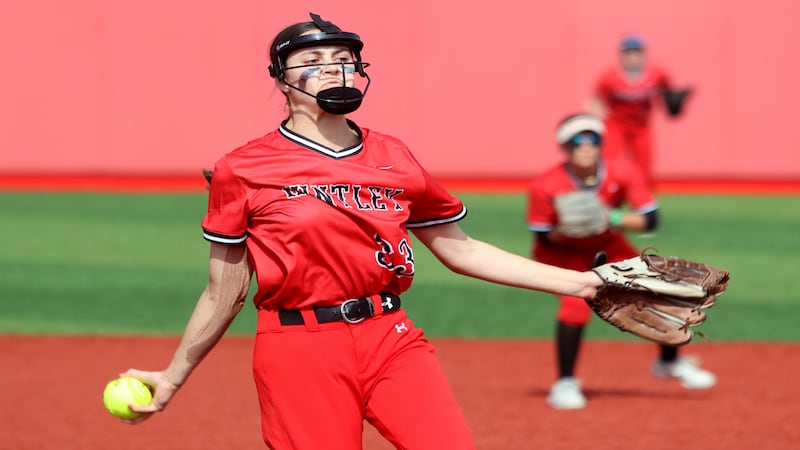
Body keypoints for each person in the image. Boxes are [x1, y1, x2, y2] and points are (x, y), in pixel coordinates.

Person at [116, 13, 605, 449]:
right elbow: (225, 293)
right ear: (282, 81)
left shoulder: (394, 155)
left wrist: (585, 284)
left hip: (390, 338)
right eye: (313, 58)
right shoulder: (242, 169)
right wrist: (173, 377)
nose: (334, 67)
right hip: (299, 350)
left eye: (344, 58)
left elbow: (463, 251)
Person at [526, 113, 716, 410]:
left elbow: (650, 219)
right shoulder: (546, 184)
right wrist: (569, 230)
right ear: (565, 147)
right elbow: (543, 237)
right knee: (575, 305)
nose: (586, 146)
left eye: (594, 139)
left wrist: (609, 217)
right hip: (564, 252)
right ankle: (564, 383)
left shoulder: (621, 170)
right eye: (578, 140)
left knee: (657, 287)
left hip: (608, 243)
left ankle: (668, 362)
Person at [586, 35, 686, 185]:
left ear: (643, 54)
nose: (632, 57)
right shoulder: (610, 78)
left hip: (641, 126)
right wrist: (593, 118)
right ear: (622, 55)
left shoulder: (657, 75)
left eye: (636, 52)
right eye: (628, 53)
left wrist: (672, 106)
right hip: (616, 125)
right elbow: (596, 101)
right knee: (612, 161)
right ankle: (610, 198)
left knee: (643, 165)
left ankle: (643, 203)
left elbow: (666, 94)